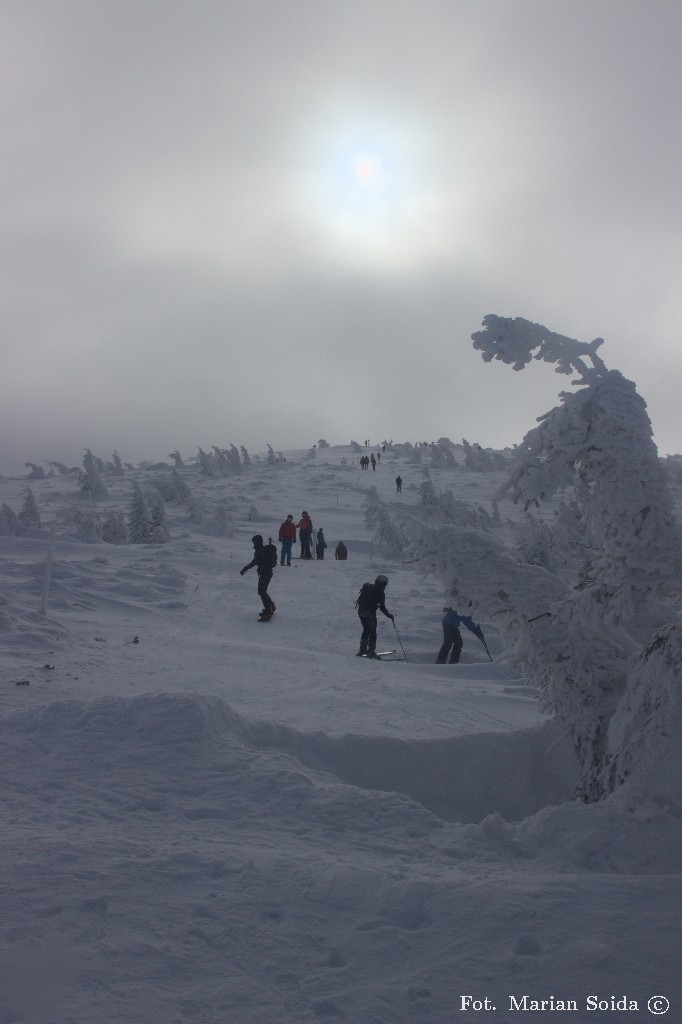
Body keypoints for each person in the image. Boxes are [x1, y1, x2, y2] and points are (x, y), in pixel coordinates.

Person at [355, 574, 394, 659]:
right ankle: (371, 651)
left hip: (360, 611)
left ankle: (362, 650)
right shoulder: (380, 592)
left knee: (366, 630)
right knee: (372, 631)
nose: (385, 586)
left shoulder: (368, 587)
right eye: (385, 584)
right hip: (369, 613)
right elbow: (382, 606)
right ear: (382, 583)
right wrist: (389, 615)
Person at [240, 534, 277, 620]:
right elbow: (254, 562)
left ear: (258, 542)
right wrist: (245, 569)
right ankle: (271, 606)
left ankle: (268, 610)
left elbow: (259, 562)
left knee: (261, 591)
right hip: (264, 574)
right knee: (262, 591)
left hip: (266, 574)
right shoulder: (259, 551)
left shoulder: (262, 551)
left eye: (254, 542)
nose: (254, 544)